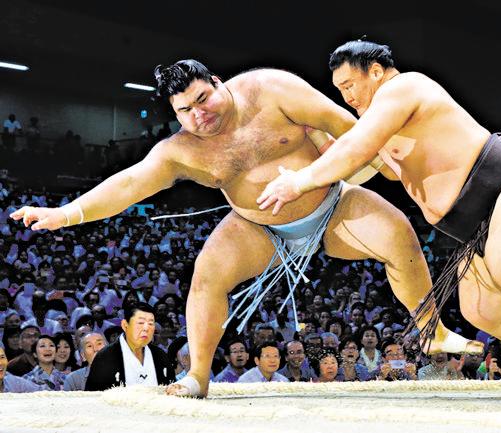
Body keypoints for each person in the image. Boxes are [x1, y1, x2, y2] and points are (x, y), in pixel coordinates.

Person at [11, 59, 477, 397]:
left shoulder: (272, 88)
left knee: (400, 235)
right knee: (207, 276)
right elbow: (128, 184)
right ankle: (197, 376)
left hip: (332, 205)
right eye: (185, 111)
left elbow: (349, 128)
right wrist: (65, 214)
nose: (200, 115)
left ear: (217, 82)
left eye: (203, 98)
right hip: (256, 228)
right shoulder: (182, 150)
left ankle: (430, 329)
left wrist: (379, 161)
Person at [257, 39, 501, 404]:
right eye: (340, 90)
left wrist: (300, 181)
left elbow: (357, 150)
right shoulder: (384, 118)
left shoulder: (404, 88)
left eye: (349, 85)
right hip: (470, 225)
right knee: (481, 311)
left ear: (375, 70)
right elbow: (384, 170)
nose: (347, 96)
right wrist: (321, 152)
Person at [85, 302, 174, 391]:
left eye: (150, 324)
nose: (146, 329)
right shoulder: (105, 357)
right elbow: (93, 397)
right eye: (140, 323)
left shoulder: (160, 356)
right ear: (125, 325)